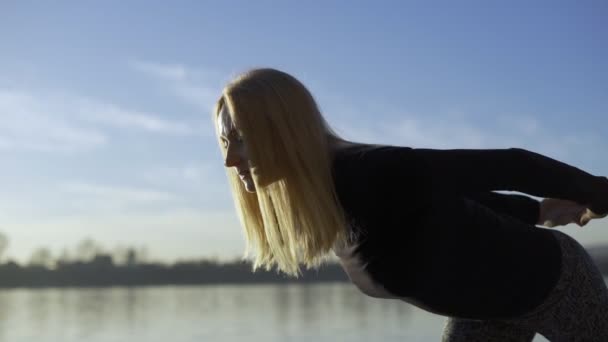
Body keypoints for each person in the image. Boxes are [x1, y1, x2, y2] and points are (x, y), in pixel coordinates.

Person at [212, 67, 608, 341]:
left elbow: (510, 164)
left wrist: (596, 193)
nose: (230, 160)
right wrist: (537, 211)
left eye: (242, 138)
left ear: (285, 128)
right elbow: (447, 202)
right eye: (225, 143)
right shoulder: (328, 197)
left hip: (556, 284)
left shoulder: (370, 171)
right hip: (490, 310)